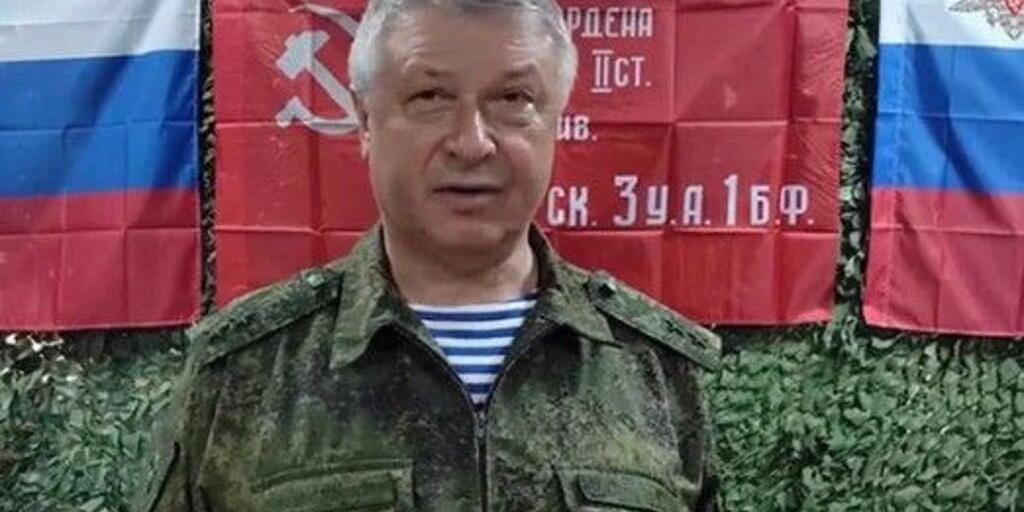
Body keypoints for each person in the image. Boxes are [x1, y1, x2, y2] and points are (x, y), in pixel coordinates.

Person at [135, 0, 723, 510]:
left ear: (555, 121)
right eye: (431, 96)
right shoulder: (243, 374)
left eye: (514, 98)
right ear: (365, 122)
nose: (471, 142)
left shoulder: (656, 373)